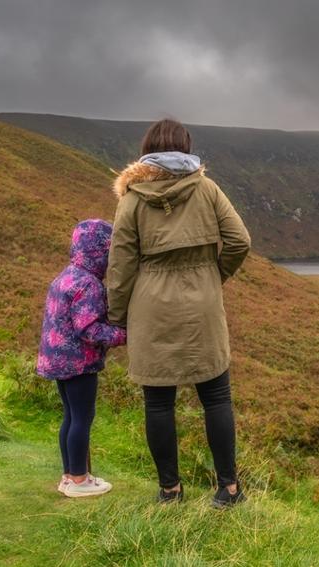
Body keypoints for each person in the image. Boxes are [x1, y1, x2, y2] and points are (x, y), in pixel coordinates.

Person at [106, 119, 251, 507]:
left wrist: (118, 316)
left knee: (158, 402)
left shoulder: (133, 198)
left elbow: (120, 264)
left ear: (147, 149)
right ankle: (229, 490)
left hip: (150, 306)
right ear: (186, 147)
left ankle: (170, 490)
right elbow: (239, 240)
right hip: (202, 302)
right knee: (216, 396)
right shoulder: (206, 188)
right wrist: (211, 277)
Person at [37, 219, 127, 498]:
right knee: (82, 419)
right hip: (79, 364)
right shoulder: (89, 285)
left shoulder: (65, 276)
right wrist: (124, 335)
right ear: (101, 251)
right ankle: (79, 480)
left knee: (71, 417)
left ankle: (68, 476)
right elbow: (88, 329)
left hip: (57, 360)